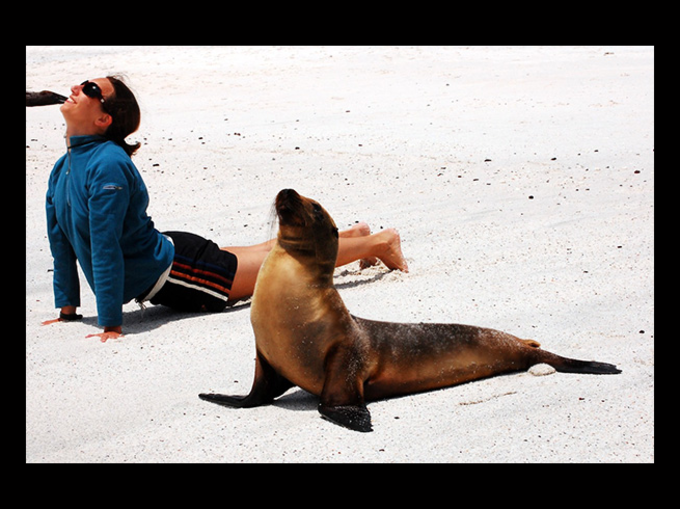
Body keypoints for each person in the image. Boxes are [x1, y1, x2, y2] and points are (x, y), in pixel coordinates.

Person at [41, 76, 408, 342]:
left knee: (286, 264)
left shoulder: (106, 164)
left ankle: (377, 243)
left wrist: (110, 323)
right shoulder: (64, 167)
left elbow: (104, 245)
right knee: (271, 253)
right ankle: (350, 236)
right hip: (170, 254)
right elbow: (61, 243)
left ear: (104, 120)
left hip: (179, 272)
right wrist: (67, 309)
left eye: (90, 89)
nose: (76, 88)